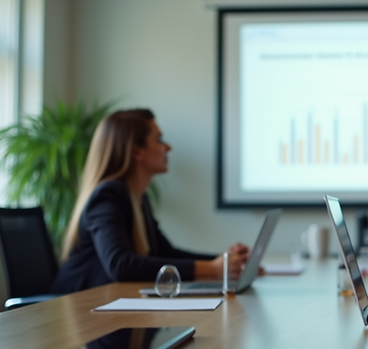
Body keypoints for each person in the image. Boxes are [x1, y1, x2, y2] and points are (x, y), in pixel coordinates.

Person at [52, 109, 248, 293]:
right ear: (137, 152)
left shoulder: (136, 196)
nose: (168, 147)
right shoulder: (108, 196)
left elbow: (165, 253)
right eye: (159, 140)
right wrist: (212, 269)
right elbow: (121, 265)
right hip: (77, 312)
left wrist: (225, 262)